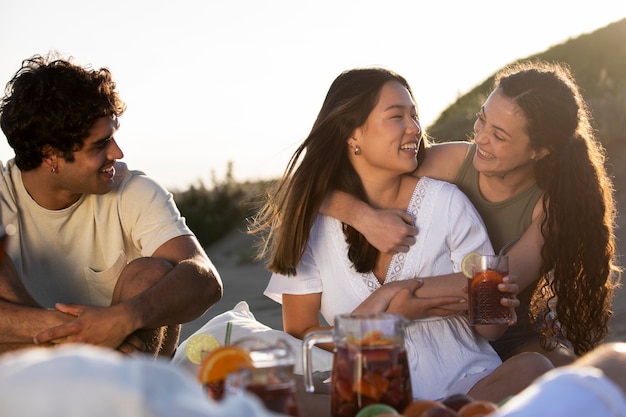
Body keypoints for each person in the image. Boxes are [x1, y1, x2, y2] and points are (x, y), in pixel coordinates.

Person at [250, 67, 553, 402]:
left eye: (415, 115)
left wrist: (492, 304)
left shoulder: (448, 202)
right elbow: (300, 330)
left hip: (468, 387)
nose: (415, 128)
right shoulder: (311, 226)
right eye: (397, 116)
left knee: (533, 368)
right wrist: (388, 321)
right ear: (352, 134)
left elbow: (491, 328)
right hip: (372, 394)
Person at [321, 60, 620, 366]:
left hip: (508, 339)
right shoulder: (454, 161)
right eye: (482, 119)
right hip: (440, 330)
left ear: (539, 151)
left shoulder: (552, 210)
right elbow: (317, 187)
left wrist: (391, 296)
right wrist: (363, 217)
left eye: (499, 136)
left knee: (562, 369)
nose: (480, 137)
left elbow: (490, 286)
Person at [0, 53, 223, 358]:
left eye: (113, 137)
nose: (117, 152)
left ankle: (120, 398)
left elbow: (205, 279)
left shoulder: (133, 190)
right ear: (50, 155)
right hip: (24, 369)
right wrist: (73, 333)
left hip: (124, 367)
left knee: (150, 274)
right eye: (100, 144)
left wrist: (122, 319)